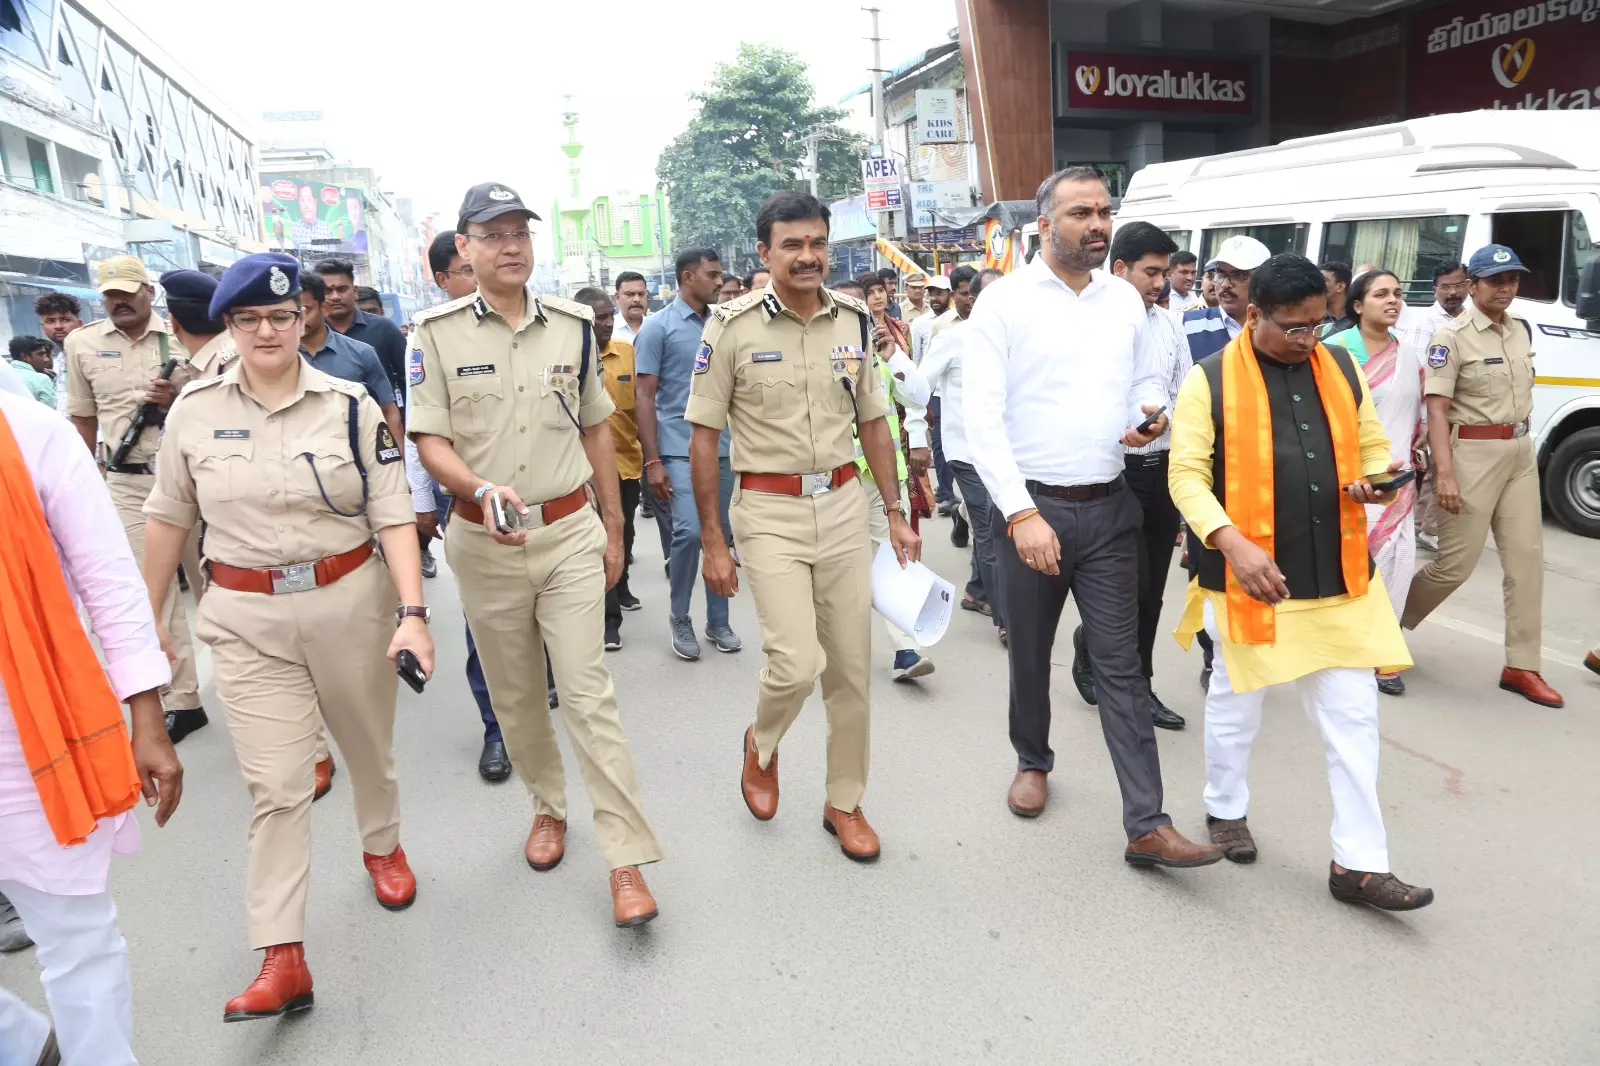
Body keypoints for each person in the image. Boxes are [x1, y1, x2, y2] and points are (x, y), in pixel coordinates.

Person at [141, 252, 434, 1019]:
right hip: (246, 620)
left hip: (349, 604)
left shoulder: (348, 405)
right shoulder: (194, 410)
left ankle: (382, 846)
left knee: (366, 749)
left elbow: (391, 513)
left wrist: (413, 614)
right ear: (228, 325)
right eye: (248, 319)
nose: (266, 331)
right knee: (276, 784)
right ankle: (283, 955)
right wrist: (146, 629)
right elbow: (168, 519)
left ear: (302, 317)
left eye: (280, 316)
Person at [410, 182, 663, 927]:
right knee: (517, 697)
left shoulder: (573, 327)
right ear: (465, 248)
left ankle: (626, 858)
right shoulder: (434, 334)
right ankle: (547, 807)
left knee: (587, 694)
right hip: (484, 543)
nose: (510, 246)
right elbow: (429, 440)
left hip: (568, 534)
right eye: (492, 235)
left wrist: (613, 528)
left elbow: (595, 427)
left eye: (519, 232)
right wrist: (479, 488)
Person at [962, 166, 1221, 867]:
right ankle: (1032, 759)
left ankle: (1147, 822)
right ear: (1045, 224)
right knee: (1030, 654)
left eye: (1104, 211)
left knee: (1121, 666)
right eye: (1081, 212)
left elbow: (1143, 379)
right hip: (1032, 509)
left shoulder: (1124, 302)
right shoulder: (1004, 303)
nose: (1098, 224)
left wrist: (1148, 413)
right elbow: (980, 417)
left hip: (1109, 507)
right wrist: (1020, 514)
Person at [1168, 252, 1432, 910]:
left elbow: (1371, 446)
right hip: (1250, 578)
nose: (1308, 338)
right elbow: (1187, 476)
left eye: (1318, 323)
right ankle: (1225, 809)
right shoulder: (1209, 379)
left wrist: (1375, 481)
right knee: (1237, 705)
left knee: (1354, 719)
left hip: (1338, 575)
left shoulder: (1340, 365)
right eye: (1293, 327)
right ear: (1254, 314)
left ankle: (1358, 865)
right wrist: (1232, 543)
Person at [685, 190, 918, 863]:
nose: (809, 256)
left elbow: (874, 422)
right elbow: (703, 437)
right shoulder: (730, 328)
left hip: (843, 504)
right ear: (765, 253)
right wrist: (713, 542)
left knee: (849, 670)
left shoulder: (853, 319)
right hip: (767, 512)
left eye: (818, 243)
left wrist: (896, 513)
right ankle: (761, 744)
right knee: (794, 662)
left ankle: (844, 802)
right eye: (793, 245)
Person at [0, 386, 184, 1064]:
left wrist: (147, 714)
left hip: (29, 730)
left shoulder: (31, 432)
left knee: (73, 934)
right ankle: (21, 1041)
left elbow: (108, 579)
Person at [1401, 244, 1563, 708]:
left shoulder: (1519, 330)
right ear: (1472, 285)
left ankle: (1522, 665)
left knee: (1527, 561)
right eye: (1495, 280)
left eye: (1512, 280)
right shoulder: (1450, 337)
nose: (1506, 288)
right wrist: (1444, 474)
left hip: (1519, 453)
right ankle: (1385, 625)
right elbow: (1437, 409)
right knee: (1455, 566)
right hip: (1469, 455)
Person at [65, 256, 208, 745]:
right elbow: (83, 418)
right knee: (152, 593)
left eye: (127, 292)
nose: (119, 302)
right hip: (127, 484)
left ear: (149, 291)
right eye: (110, 295)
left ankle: (247, 682)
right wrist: (81, 483)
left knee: (214, 585)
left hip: (192, 481)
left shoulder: (184, 336)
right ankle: (182, 700)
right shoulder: (82, 343)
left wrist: (176, 398)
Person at [1069, 221, 1189, 730]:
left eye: (1164, 273)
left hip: (1162, 472)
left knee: (1153, 590)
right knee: (1126, 590)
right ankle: (1106, 659)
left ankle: (1138, 681)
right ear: (1120, 268)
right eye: (1151, 272)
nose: (1160, 283)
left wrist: (1164, 420)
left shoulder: (1170, 326)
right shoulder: (1090, 323)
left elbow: (1185, 392)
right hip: (1112, 475)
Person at [419, 229, 508, 782]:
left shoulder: (531, 329)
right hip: (474, 512)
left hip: (547, 512)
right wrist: (421, 502)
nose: (478, 280)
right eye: (466, 271)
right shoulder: (430, 340)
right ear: (443, 279)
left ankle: (531, 699)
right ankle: (496, 730)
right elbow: (416, 434)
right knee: (483, 629)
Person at [634, 247, 741, 661]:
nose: (719, 282)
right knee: (690, 532)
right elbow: (644, 397)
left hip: (723, 448)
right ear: (687, 278)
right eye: (712, 275)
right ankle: (680, 616)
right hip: (677, 449)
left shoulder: (724, 324)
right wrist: (653, 461)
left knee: (722, 535)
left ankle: (719, 621)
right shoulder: (657, 328)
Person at [1324, 271, 1421, 696]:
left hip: (1398, 477)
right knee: (1351, 564)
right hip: (1351, 478)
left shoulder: (1409, 353)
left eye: (1397, 294)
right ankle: (1343, 645)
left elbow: (1415, 413)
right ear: (1358, 305)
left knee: (1396, 562)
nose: (1393, 300)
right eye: (1381, 294)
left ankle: (1384, 652)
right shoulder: (1337, 350)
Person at [912, 267, 1007, 642]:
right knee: (994, 532)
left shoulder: (1020, 339)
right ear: (974, 299)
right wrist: (917, 436)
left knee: (997, 525)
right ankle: (1008, 621)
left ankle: (977, 592)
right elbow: (918, 389)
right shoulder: (952, 340)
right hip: (967, 453)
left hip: (1009, 454)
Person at [855, 271, 935, 681]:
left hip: (885, 476)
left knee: (892, 558)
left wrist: (894, 356)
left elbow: (918, 396)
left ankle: (905, 650)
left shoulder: (886, 346)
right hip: (833, 478)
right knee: (840, 566)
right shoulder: (818, 352)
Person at [573, 285, 644, 649]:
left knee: (624, 532)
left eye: (607, 317)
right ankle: (609, 618)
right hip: (585, 471)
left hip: (627, 461)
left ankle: (622, 582)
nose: (605, 323)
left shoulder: (627, 352)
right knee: (598, 540)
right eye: (597, 318)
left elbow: (641, 407)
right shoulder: (567, 360)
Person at [1401, 262, 1471, 551]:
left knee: (1434, 471)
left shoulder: (1470, 318)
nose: (1453, 292)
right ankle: (1431, 529)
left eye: (1458, 285)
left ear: (1468, 285)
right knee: (1443, 468)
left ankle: (1420, 526)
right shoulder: (1426, 323)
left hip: (1458, 408)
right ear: (1434, 290)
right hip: (1434, 410)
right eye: (1446, 286)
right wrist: (1424, 422)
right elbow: (1419, 375)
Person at [317, 259, 408, 424]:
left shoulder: (384, 329)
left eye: (342, 289)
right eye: (327, 291)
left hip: (379, 425)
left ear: (355, 291)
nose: (335, 297)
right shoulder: (310, 334)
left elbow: (408, 378)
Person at [34, 293, 84, 414]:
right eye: (50, 321)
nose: (58, 326)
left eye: (65, 320)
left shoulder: (92, 356)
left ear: (79, 324)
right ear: (43, 328)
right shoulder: (59, 361)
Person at [909, 275, 951, 364]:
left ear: (950, 295)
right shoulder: (919, 323)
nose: (934, 298)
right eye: (931, 294)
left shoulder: (958, 321)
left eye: (939, 294)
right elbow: (915, 359)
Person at [7, 335, 56, 406]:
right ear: (24, 357)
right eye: (41, 354)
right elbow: (50, 410)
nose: (46, 359)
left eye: (45, 355)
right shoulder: (41, 379)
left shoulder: (5, 375)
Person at [613, 270, 650, 344]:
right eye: (629, 294)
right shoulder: (608, 330)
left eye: (641, 294)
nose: (637, 299)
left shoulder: (657, 327)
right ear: (617, 297)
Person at [1319, 261, 1353, 335]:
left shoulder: (1357, 316)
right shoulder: (1315, 316)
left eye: (1324, 280)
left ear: (1340, 287)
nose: (1318, 284)